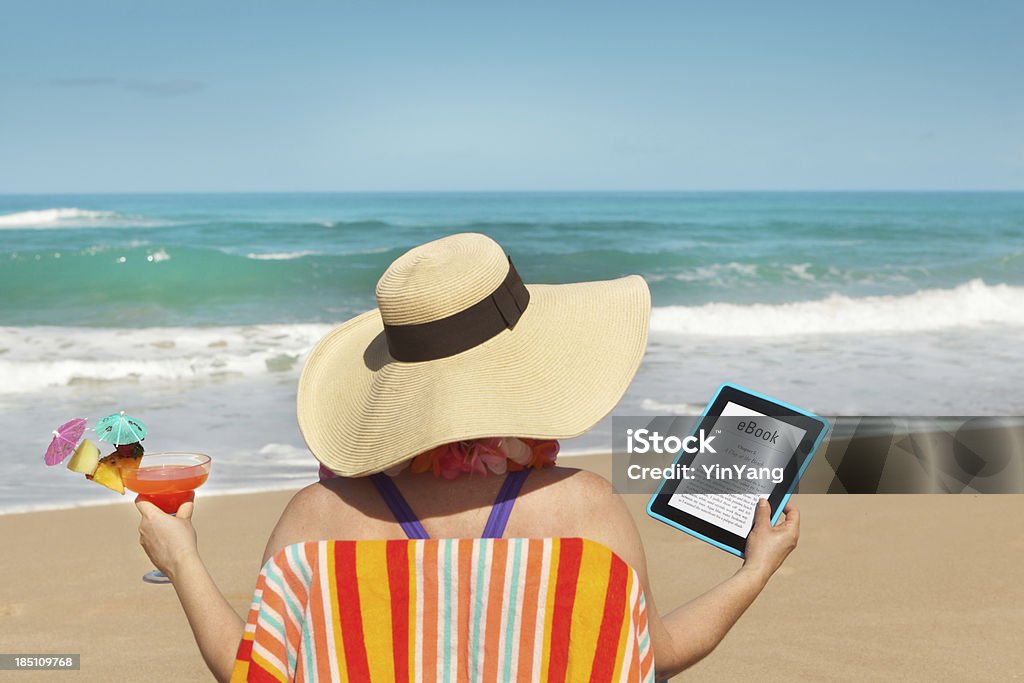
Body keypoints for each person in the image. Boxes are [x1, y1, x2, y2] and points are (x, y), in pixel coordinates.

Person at [136, 233, 800, 682]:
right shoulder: (584, 509)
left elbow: (251, 667)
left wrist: (181, 557)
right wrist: (754, 570)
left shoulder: (318, 517)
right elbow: (652, 653)